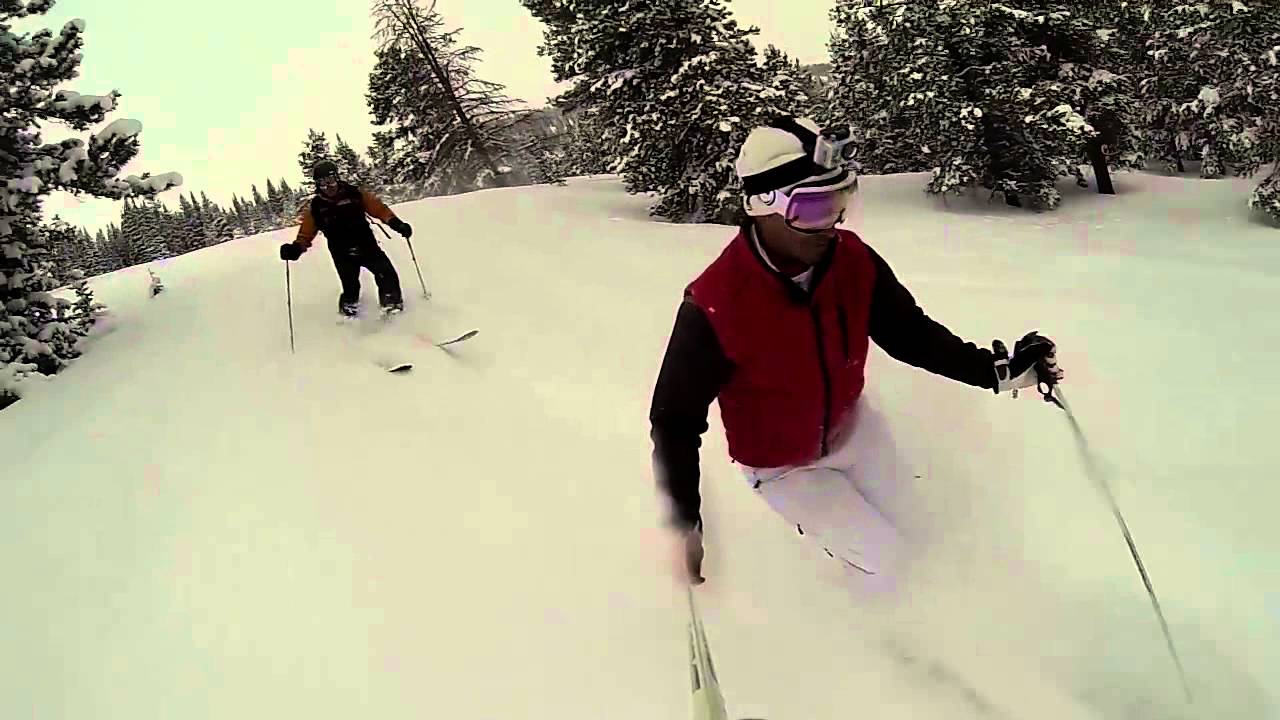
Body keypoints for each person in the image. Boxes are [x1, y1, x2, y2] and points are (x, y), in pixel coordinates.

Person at [648, 117, 1064, 586]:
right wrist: (683, 520)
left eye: (840, 200)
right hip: (783, 467)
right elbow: (674, 419)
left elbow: (911, 335)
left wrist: (997, 372)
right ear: (761, 205)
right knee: (891, 562)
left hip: (855, 431)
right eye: (813, 209)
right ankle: (885, 645)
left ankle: (927, 621)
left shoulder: (853, 261)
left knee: (933, 541)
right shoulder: (716, 302)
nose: (833, 224)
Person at [279, 160, 413, 317]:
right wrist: (295, 249)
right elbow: (306, 234)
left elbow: (379, 210)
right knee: (351, 287)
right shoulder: (316, 207)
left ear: (337, 178)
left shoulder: (355, 194)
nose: (328, 187)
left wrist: (396, 224)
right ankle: (349, 314)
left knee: (386, 274)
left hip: (366, 245)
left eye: (330, 181)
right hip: (341, 253)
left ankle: (392, 306)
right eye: (322, 183)